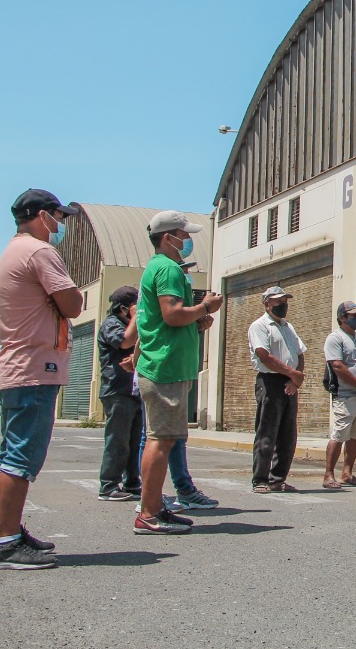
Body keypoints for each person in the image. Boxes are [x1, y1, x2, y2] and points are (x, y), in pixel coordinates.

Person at [0, 189, 81, 569]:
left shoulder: (13, 250)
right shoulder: (39, 252)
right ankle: (6, 544)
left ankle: (8, 532)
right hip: (33, 369)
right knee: (20, 457)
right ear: (42, 216)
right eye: (60, 217)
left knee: (10, 455)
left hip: (17, 367)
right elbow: (73, 303)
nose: (61, 226)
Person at [134, 210, 222, 535]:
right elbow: (171, 314)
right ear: (169, 237)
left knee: (164, 439)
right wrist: (205, 307)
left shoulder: (160, 268)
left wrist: (197, 321)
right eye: (184, 235)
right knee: (161, 440)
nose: (188, 241)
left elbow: (166, 319)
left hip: (166, 365)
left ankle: (154, 507)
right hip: (166, 369)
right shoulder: (169, 269)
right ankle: (148, 513)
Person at [249, 285, 306, 493]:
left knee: (288, 433)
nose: (284, 304)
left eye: (285, 301)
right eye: (279, 301)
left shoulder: (288, 327)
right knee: (267, 431)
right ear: (267, 303)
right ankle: (261, 479)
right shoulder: (260, 326)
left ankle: (278, 478)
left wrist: (295, 378)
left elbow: (299, 353)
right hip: (270, 381)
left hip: (289, 382)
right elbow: (264, 356)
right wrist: (292, 374)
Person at [322, 301, 356, 489]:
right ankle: (329, 475)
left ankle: (347, 473)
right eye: (353, 315)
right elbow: (337, 365)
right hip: (345, 395)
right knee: (339, 434)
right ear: (342, 318)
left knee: (355, 436)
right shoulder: (335, 338)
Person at [97, 286, 142, 501]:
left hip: (134, 390)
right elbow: (125, 341)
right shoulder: (111, 324)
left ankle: (132, 482)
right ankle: (108, 486)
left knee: (134, 443)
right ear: (124, 309)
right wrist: (135, 317)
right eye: (136, 306)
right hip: (117, 391)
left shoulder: (132, 323)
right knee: (118, 441)